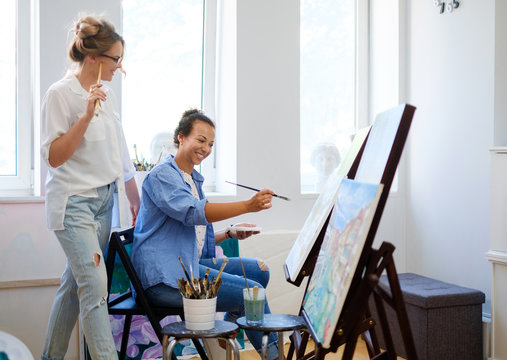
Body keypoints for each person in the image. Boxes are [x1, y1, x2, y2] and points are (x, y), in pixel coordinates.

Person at [132, 109, 281, 359]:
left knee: (259, 271)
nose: (206, 148)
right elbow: (194, 214)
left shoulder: (191, 179)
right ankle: (276, 357)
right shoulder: (162, 175)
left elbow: (195, 236)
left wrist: (230, 233)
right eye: (200, 140)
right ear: (181, 137)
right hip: (164, 280)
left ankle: (233, 319)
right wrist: (248, 205)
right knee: (251, 291)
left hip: (187, 267)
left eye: (210, 144)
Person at [40, 15, 140, 360]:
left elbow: (119, 147)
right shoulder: (60, 94)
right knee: (96, 288)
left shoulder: (107, 95)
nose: (119, 66)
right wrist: (84, 116)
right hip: (73, 204)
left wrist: (132, 193)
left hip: (104, 201)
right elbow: (54, 157)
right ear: (94, 58)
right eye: (115, 59)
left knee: (74, 286)